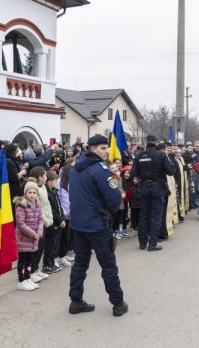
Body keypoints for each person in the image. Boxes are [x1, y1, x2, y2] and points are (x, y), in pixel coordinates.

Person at [67, 135, 127, 317]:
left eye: (106, 147)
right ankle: (117, 303)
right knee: (108, 265)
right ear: (92, 149)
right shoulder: (101, 170)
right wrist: (110, 207)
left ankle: (75, 301)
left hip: (78, 223)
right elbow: (114, 199)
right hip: (97, 224)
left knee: (80, 263)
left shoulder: (75, 168)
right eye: (102, 148)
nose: (107, 151)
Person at [130, 140, 170, 251]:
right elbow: (171, 170)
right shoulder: (161, 154)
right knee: (155, 216)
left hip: (144, 188)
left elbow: (133, 173)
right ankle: (153, 244)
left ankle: (142, 243)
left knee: (143, 216)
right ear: (155, 143)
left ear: (146, 143)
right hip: (157, 188)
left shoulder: (139, 155)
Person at [14, 181, 44, 291]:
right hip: (24, 238)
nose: (32, 194)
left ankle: (27, 278)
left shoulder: (37, 204)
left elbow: (41, 219)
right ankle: (21, 281)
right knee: (23, 260)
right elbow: (20, 223)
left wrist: (39, 233)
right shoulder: (21, 206)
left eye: (34, 192)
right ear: (25, 193)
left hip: (34, 238)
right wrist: (32, 234)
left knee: (30, 260)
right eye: (29, 192)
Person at [42, 169, 67, 274]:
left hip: (59, 221)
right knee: (50, 244)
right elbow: (51, 209)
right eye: (55, 181)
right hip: (52, 222)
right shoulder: (47, 193)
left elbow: (59, 205)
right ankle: (47, 264)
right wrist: (59, 219)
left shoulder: (54, 191)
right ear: (49, 181)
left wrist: (62, 217)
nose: (57, 183)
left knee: (55, 244)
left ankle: (52, 262)